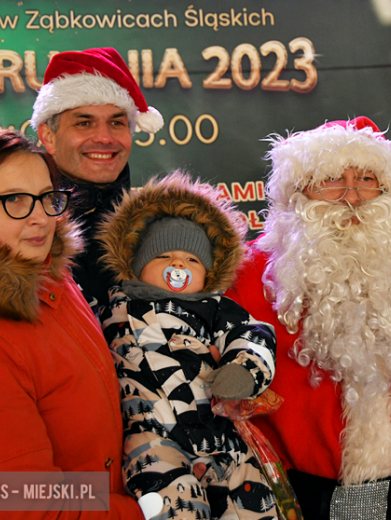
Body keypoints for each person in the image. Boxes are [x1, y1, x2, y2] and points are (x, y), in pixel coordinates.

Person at [224, 116, 391, 520]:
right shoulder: (251, 276)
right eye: (332, 179)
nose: (352, 196)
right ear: (298, 193)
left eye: (367, 179)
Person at [0, 130, 143, 519]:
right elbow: (29, 504)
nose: (41, 217)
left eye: (48, 198)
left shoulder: (48, 274)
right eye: (14, 200)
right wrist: (148, 512)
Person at [96, 172, 279, 520]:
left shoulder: (214, 308)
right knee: (171, 503)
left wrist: (243, 371)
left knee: (250, 502)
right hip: (151, 435)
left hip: (219, 435)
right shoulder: (110, 309)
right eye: (164, 257)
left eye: (192, 260)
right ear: (137, 266)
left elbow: (254, 335)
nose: (179, 265)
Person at [31, 46, 164, 309]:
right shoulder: (24, 226)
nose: (105, 138)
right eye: (84, 123)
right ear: (48, 137)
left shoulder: (161, 228)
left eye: (116, 123)